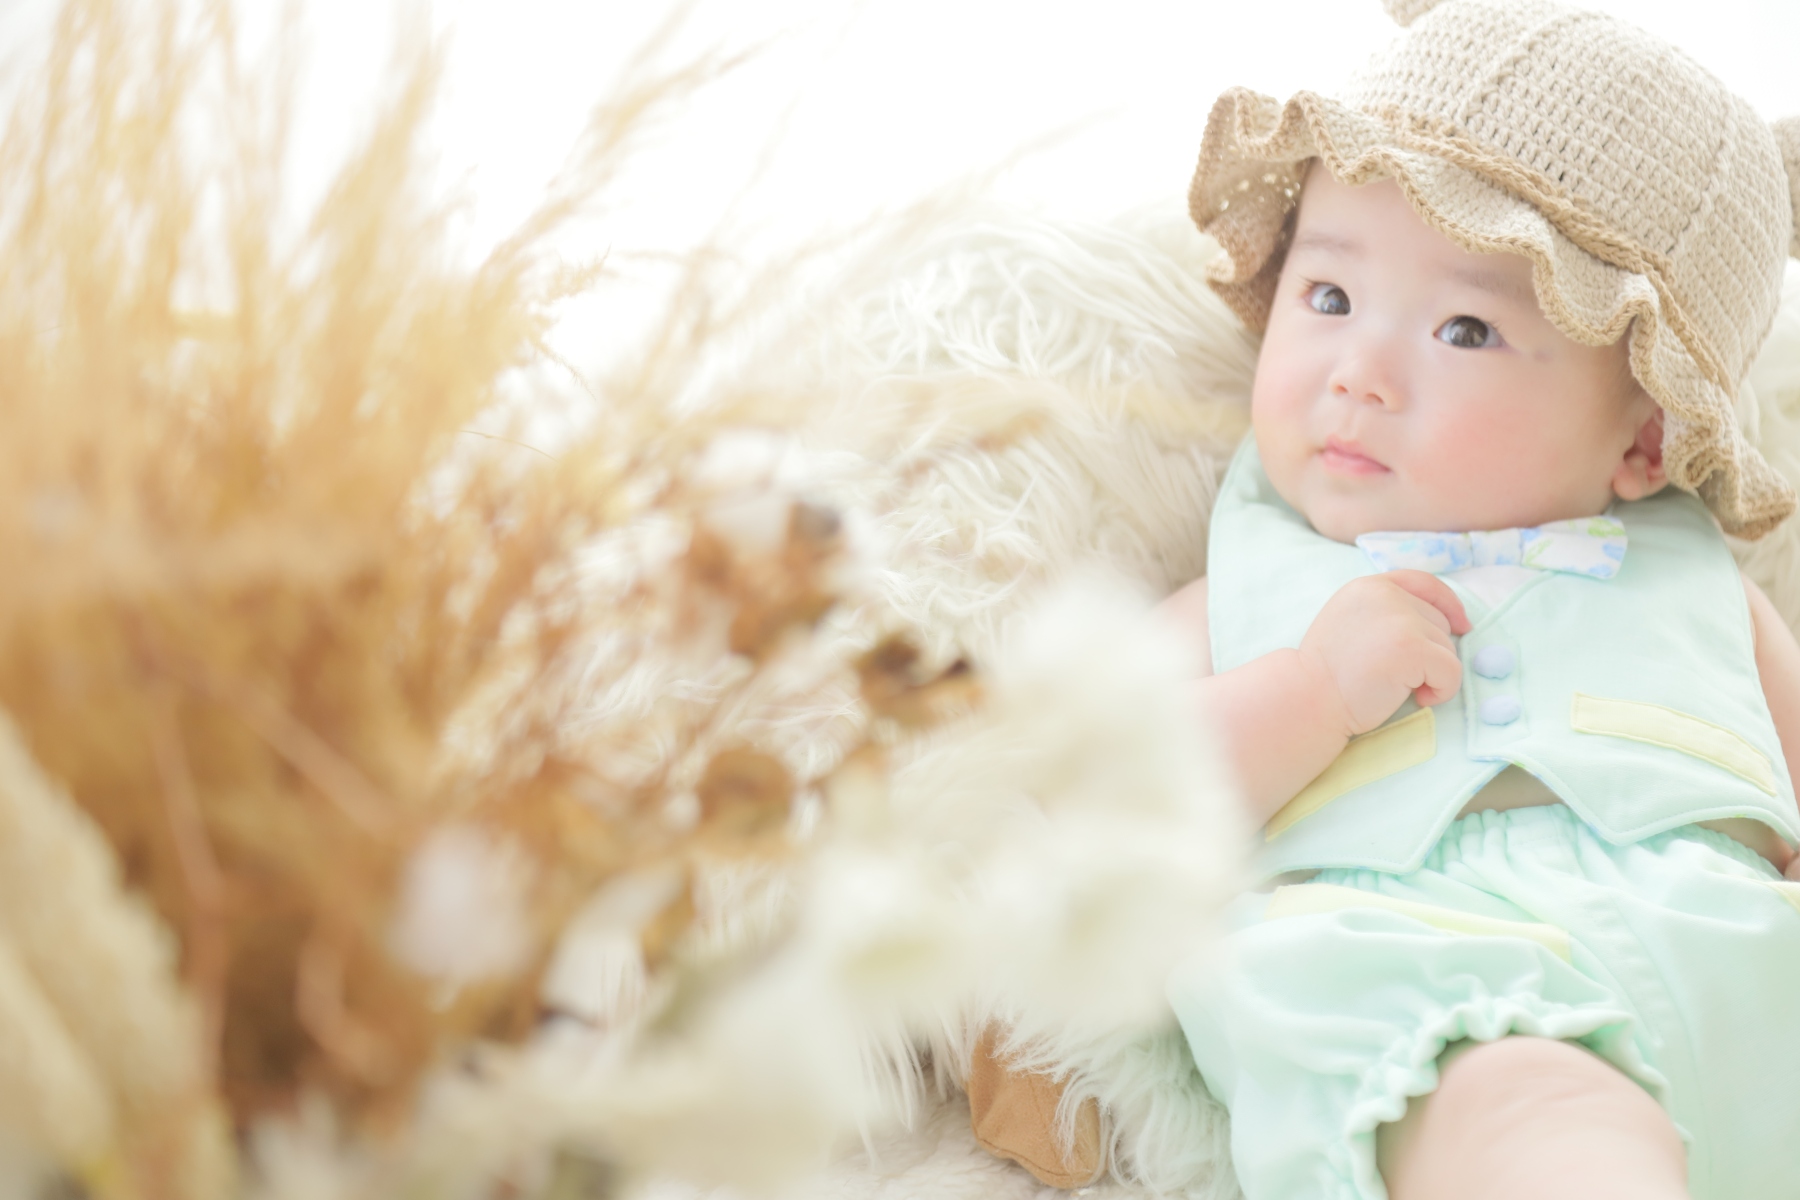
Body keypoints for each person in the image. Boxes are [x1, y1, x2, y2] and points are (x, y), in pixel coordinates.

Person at [1150, 1, 1800, 1197]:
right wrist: (1307, 693)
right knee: (1534, 1117)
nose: (1360, 374)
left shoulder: (1708, 589)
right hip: (1423, 962)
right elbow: (1102, 805)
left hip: (1743, 956)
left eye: (1464, 328)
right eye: (1329, 298)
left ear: (1647, 436)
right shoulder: (1239, 593)